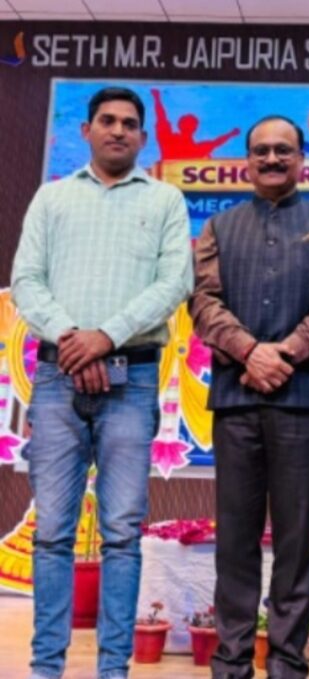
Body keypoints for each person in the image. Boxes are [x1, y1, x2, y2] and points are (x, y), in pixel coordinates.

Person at [11, 86, 193, 679]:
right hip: (57, 377)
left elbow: (174, 283)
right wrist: (73, 338)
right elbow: (27, 279)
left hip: (132, 380)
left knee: (120, 534)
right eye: (107, 121)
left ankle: (113, 670)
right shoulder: (52, 197)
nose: (118, 130)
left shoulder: (165, 199)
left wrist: (105, 337)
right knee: (52, 534)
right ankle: (46, 668)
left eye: (130, 123)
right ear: (85, 130)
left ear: (143, 137)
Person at [188, 114, 309, 679]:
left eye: (284, 150)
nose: (272, 159)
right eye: (261, 151)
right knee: (235, 539)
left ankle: (286, 664)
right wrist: (249, 352)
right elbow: (203, 302)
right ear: (247, 161)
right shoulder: (218, 227)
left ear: (301, 159)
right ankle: (231, 664)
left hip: (303, 400)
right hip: (236, 401)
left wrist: (283, 353)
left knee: (295, 540)